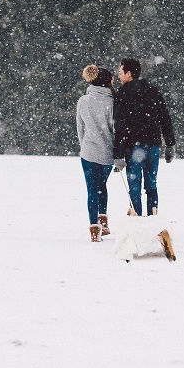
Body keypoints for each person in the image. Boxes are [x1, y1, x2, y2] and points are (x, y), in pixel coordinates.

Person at [112, 57, 175, 216]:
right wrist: (170, 143)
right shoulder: (153, 91)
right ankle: (153, 219)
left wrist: (118, 154)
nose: (119, 76)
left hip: (133, 147)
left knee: (134, 187)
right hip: (152, 145)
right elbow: (164, 118)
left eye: (120, 72)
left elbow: (120, 125)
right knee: (151, 185)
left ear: (129, 74)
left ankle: (137, 222)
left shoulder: (122, 94)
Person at [76, 64, 115, 242]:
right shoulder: (112, 102)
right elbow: (115, 129)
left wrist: (84, 145)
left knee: (92, 189)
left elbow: (80, 128)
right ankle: (103, 220)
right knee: (102, 186)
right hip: (107, 154)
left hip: (88, 152)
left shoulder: (84, 101)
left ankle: (94, 229)